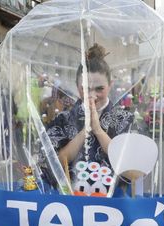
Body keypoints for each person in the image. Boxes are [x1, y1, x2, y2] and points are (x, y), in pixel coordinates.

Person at [45, 43, 134, 197]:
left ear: (110, 85)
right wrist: (85, 130)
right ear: (77, 86)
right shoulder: (63, 119)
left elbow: (131, 168)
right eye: (86, 88)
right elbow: (55, 162)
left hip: (115, 205)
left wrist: (98, 130)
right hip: (71, 203)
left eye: (100, 88)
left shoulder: (124, 119)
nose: (92, 95)